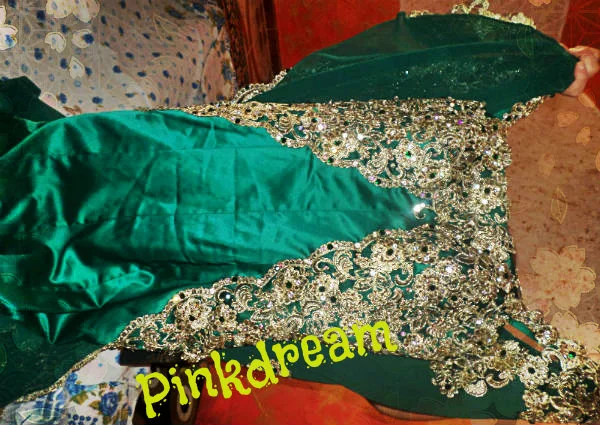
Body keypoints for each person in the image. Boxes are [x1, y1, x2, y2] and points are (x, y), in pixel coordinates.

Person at [0, 8, 599, 424]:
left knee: (189, 196)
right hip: (223, 203)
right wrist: (538, 64)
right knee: (165, 187)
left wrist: (536, 63)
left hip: (223, 206)